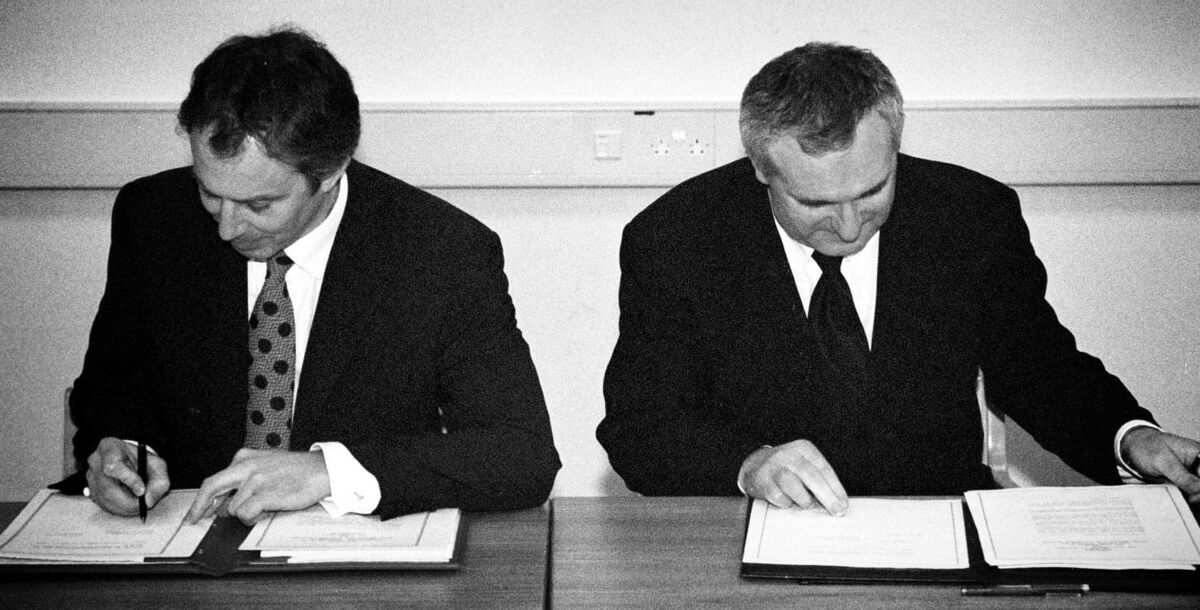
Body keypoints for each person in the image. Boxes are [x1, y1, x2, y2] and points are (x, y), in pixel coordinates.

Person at [597, 42, 1200, 516]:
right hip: (754, 532)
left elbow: (1037, 365)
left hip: (939, 520)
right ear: (760, 169)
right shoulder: (678, 238)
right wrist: (748, 464)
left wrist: (1129, 436)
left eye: (873, 189)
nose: (852, 223)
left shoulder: (970, 216)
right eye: (816, 203)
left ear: (895, 148)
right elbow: (641, 425)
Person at [58, 27, 560, 523]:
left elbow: (520, 456)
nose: (228, 227)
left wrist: (326, 472)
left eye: (259, 203)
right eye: (210, 193)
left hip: (353, 566)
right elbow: (110, 392)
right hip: (184, 550)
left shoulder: (439, 251)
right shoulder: (154, 219)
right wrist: (120, 450)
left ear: (330, 171)